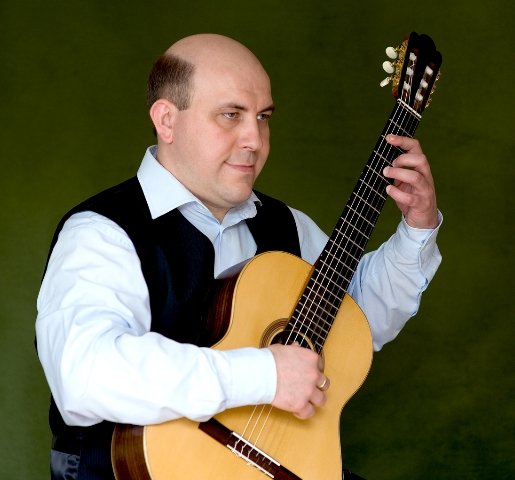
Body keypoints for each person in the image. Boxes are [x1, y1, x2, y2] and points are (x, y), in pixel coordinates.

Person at [36, 34, 442, 480]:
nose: (254, 139)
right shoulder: (103, 232)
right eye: (231, 115)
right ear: (167, 120)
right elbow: (86, 373)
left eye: (263, 117)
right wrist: (264, 376)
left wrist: (416, 230)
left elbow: (357, 321)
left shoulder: (286, 226)